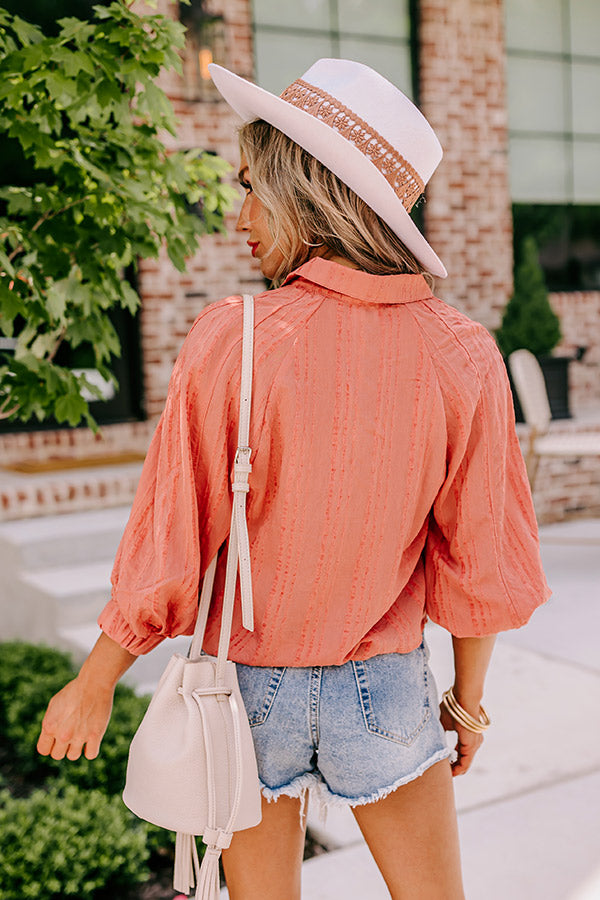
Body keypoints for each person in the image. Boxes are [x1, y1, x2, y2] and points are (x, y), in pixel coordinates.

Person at [37, 59, 550, 899]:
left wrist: (95, 682)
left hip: (244, 694)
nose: (239, 217)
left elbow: (176, 540)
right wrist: (466, 704)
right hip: (385, 684)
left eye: (252, 188)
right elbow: (478, 562)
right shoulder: (464, 354)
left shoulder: (232, 338)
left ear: (308, 195)